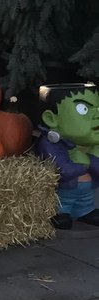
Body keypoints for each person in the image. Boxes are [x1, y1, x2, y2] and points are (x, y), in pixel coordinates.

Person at [36, 83, 99, 228]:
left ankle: (85, 211)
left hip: (87, 193)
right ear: (52, 119)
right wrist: (83, 165)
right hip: (63, 194)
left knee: (86, 202)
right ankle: (61, 212)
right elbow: (61, 171)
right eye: (83, 109)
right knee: (62, 203)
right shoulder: (51, 144)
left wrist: (88, 161)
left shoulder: (94, 144)